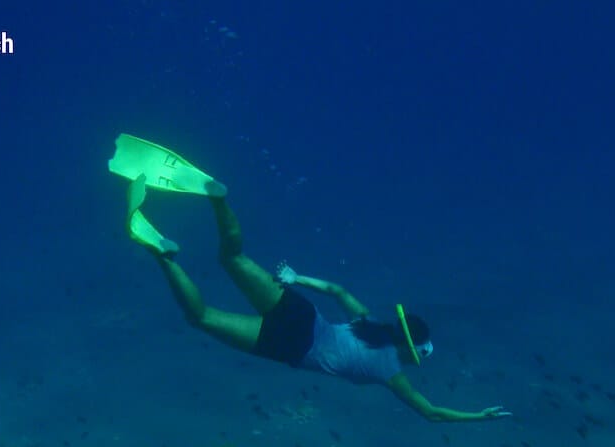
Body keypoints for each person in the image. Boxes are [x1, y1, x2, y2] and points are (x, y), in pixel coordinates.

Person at [111, 136, 511, 423]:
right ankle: (164, 255)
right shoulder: (393, 374)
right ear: (411, 350)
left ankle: (218, 198)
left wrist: (295, 276)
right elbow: (432, 412)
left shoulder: (370, 323)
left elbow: (338, 290)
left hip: (303, 312)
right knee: (201, 317)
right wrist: (478, 415)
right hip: (292, 345)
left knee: (232, 256)